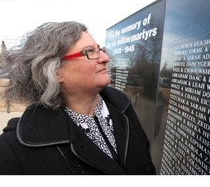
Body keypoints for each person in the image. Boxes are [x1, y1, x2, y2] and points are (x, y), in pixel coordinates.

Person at [0, 21, 156, 175]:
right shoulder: (14, 148)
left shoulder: (122, 105)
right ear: (56, 71)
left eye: (99, 49)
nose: (105, 57)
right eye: (90, 51)